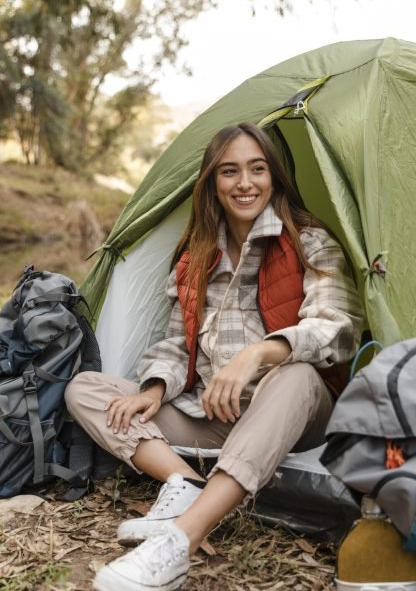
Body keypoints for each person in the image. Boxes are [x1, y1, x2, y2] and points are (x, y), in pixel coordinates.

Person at [65, 122, 364, 591]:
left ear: (274, 177)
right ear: (212, 182)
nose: (244, 183)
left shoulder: (309, 241)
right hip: (214, 415)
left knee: (299, 374)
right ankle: (186, 484)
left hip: (294, 412)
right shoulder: (195, 256)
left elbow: (339, 329)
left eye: (257, 169)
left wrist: (261, 352)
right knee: (86, 388)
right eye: (230, 171)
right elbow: (175, 343)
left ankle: (181, 540)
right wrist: (155, 388)